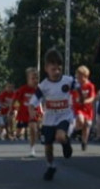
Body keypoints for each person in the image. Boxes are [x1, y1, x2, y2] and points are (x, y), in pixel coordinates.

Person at [31, 49, 77, 181]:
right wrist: (31, 109)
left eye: (59, 67)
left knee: (60, 135)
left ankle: (65, 143)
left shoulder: (68, 81)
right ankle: (50, 166)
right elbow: (33, 101)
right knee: (48, 147)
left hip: (64, 115)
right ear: (46, 68)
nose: (56, 70)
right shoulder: (43, 86)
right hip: (49, 119)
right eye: (53, 68)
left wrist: (81, 97)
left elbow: (80, 89)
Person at [13, 68, 42, 157]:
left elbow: (44, 100)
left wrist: (43, 110)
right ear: (28, 79)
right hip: (23, 113)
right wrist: (15, 109)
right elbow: (16, 100)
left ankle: (32, 148)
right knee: (19, 128)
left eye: (36, 78)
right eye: (32, 78)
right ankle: (17, 135)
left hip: (34, 112)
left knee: (33, 128)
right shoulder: (23, 89)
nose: (35, 80)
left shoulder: (40, 89)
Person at [73, 65, 97, 150]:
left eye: (80, 76)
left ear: (86, 76)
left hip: (87, 109)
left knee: (87, 125)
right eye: (77, 76)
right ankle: (76, 131)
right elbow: (72, 95)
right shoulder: (76, 86)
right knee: (80, 119)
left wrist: (85, 101)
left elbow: (92, 97)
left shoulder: (90, 86)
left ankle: (84, 142)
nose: (79, 78)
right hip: (78, 108)